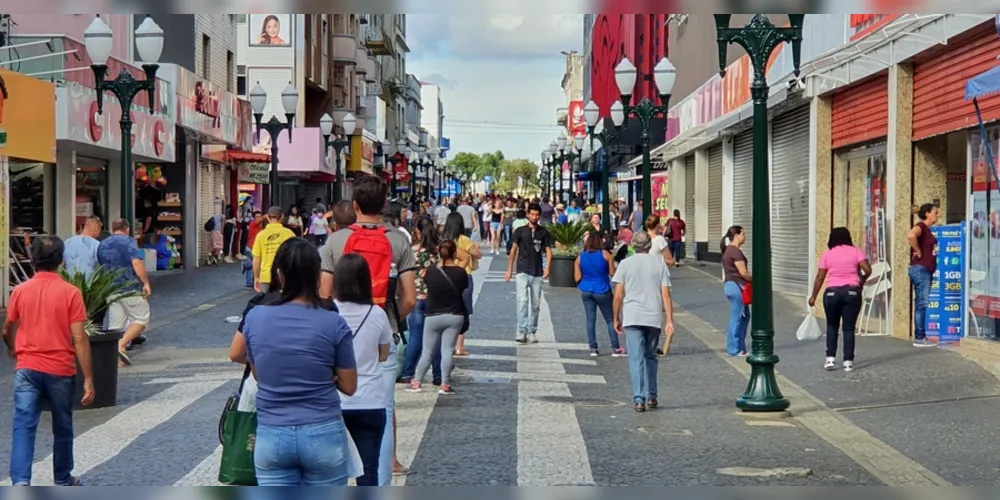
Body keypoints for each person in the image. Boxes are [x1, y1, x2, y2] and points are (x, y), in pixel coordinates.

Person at [319, 175, 417, 484]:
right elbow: (411, 298)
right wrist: (387, 321)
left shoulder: (336, 241)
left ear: (356, 205)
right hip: (382, 334)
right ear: (385, 204)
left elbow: (324, 296)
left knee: (331, 409)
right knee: (384, 411)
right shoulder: (399, 240)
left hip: (336, 335)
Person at [242, 238, 357, 486]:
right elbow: (349, 385)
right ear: (317, 276)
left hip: (272, 433)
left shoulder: (255, 317)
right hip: (323, 430)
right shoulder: (332, 322)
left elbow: (259, 375)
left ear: (280, 275)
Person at [3, 236, 93, 486]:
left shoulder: (20, 291)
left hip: (27, 369)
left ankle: (21, 482)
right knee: (63, 426)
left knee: (23, 425)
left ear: (32, 261)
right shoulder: (71, 293)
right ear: (61, 261)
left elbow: (7, 328)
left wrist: (13, 349)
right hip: (60, 370)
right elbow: (79, 338)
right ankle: (63, 479)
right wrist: (89, 379)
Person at [334, 253, 392, 485]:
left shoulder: (329, 312)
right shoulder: (377, 313)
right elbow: (384, 354)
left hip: (336, 401)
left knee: (332, 471)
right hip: (371, 400)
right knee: (369, 470)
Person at [612, 232, 674, 412]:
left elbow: (618, 296)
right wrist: (669, 319)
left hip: (632, 316)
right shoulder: (659, 263)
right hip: (653, 315)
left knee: (635, 358)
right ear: (649, 246)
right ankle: (653, 395)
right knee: (651, 356)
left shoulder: (625, 264)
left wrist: (616, 318)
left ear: (632, 245)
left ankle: (639, 398)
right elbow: (666, 294)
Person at [407, 240, 469, 395]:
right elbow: (463, 289)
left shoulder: (431, 271)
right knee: (447, 350)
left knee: (427, 351)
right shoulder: (461, 273)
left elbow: (426, 285)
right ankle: (445, 384)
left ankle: (417, 382)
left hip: (433, 314)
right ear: (454, 253)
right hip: (455, 315)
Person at [808, 227, 872, 372]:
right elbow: (867, 269)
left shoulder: (827, 254)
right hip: (852, 292)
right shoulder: (855, 251)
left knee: (832, 326)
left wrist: (813, 296)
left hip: (832, 293)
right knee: (848, 328)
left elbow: (820, 277)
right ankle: (848, 362)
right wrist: (860, 281)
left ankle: (830, 359)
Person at [96, 219, 152, 366]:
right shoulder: (129, 242)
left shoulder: (102, 244)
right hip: (129, 287)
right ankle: (122, 344)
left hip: (111, 289)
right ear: (127, 229)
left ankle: (118, 359)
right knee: (141, 318)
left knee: (116, 325)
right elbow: (136, 262)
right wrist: (145, 282)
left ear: (113, 228)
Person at [400, 217, 443, 385]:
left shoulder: (413, 251)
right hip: (435, 298)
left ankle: (408, 372)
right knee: (436, 338)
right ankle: (438, 374)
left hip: (416, 296)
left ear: (417, 231)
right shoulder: (439, 252)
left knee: (415, 337)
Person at [505, 203, 553, 344]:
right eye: (532, 214)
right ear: (528, 214)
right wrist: (509, 269)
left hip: (537, 272)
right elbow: (513, 250)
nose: (534, 217)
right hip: (522, 271)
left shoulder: (544, 232)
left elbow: (549, 251)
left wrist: (548, 268)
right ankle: (522, 330)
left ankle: (532, 331)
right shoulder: (520, 231)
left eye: (537, 215)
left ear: (540, 216)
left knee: (536, 304)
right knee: (522, 301)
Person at [575, 232, 624, 357]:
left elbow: (577, 278)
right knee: (610, 319)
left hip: (586, 290)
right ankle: (616, 347)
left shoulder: (580, 257)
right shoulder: (605, 254)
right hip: (602, 289)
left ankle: (593, 348)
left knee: (590, 319)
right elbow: (613, 273)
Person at [442, 213, 480, 356]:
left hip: (445, 277)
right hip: (464, 277)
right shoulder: (464, 240)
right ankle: (460, 346)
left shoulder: (443, 240)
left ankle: (446, 344)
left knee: (447, 311)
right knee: (463, 312)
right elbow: (479, 254)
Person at [908, 203, 940, 347]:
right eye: (935, 212)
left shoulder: (927, 229)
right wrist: (917, 250)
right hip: (921, 269)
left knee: (921, 303)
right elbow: (911, 235)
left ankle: (921, 335)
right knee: (922, 303)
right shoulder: (921, 227)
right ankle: (920, 337)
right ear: (927, 213)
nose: (937, 215)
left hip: (925, 269)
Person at [721, 226, 752, 357]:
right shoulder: (735, 252)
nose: (745, 236)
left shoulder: (728, 251)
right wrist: (754, 280)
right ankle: (734, 349)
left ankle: (740, 347)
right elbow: (743, 272)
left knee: (744, 316)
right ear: (737, 235)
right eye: (743, 234)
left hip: (731, 285)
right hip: (737, 286)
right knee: (738, 317)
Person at [252, 207, 296, 293]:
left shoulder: (261, 235)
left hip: (266, 277)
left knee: (266, 303)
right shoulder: (289, 234)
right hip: (284, 276)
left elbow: (256, 259)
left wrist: (256, 277)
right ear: (282, 217)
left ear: (268, 217)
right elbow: (295, 256)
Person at [64, 215, 102, 279]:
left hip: (69, 283)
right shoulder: (96, 245)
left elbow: (62, 264)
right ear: (96, 227)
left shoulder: (67, 242)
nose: (99, 233)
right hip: (88, 286)